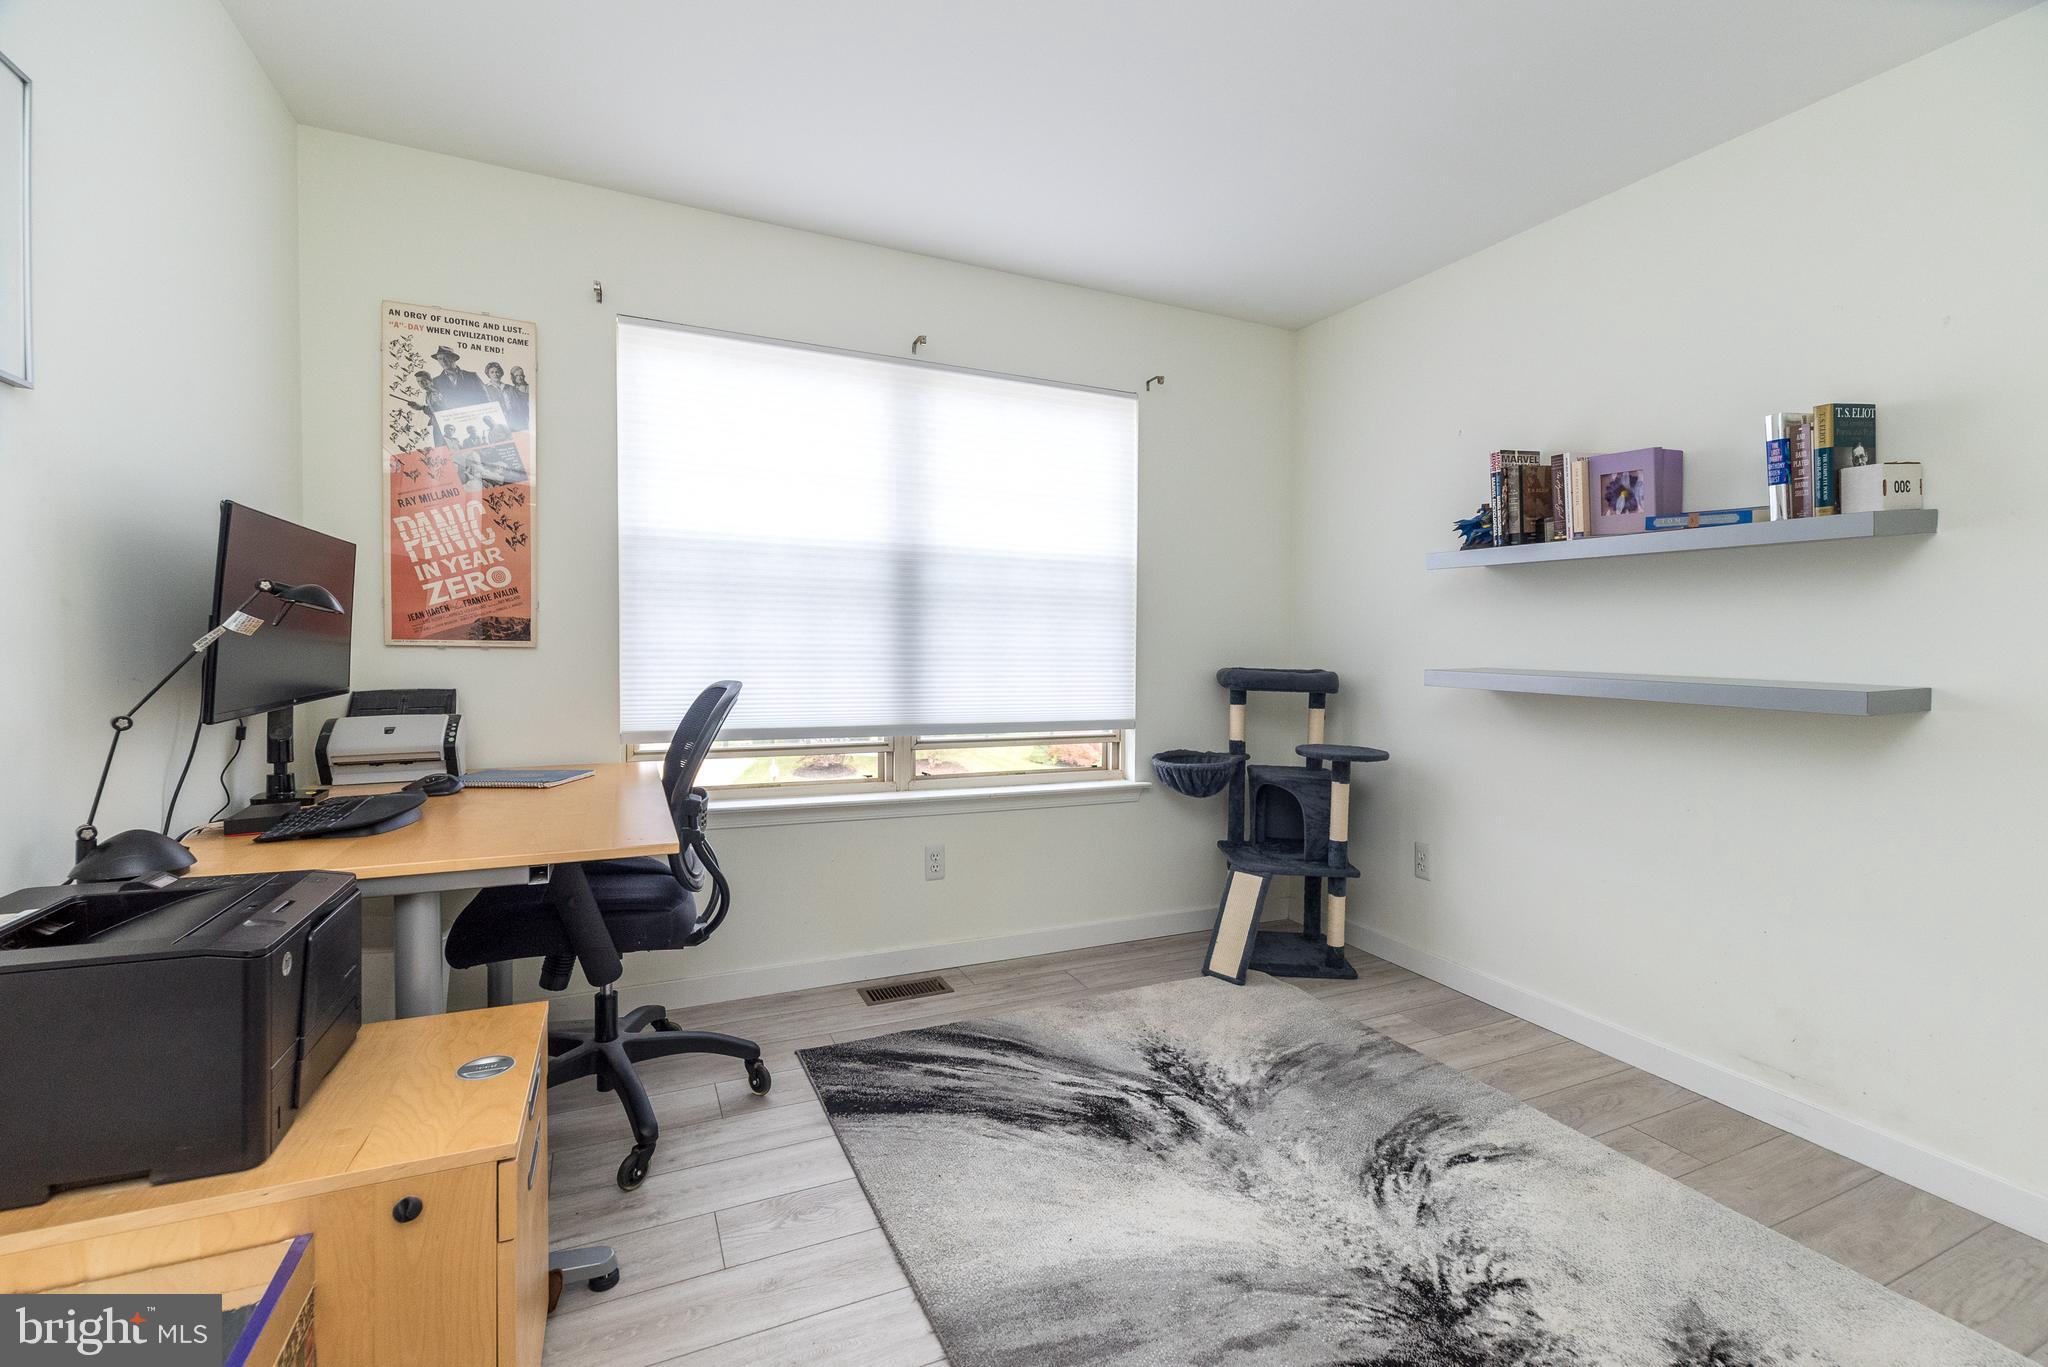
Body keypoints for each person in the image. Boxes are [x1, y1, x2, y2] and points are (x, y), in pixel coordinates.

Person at [498, 363, 532, 430]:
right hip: (518, 418)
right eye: (516, 375)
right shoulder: (511, 390)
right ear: (513, 377)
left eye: (521, 375)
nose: (519, 378)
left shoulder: (530, 387)